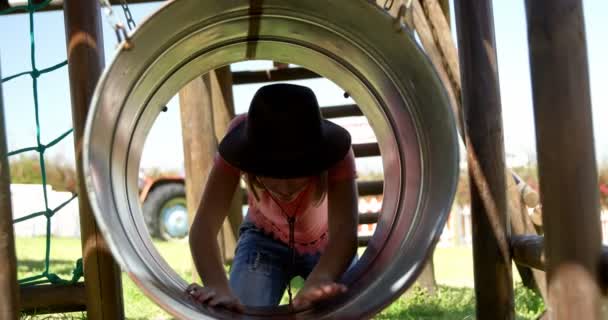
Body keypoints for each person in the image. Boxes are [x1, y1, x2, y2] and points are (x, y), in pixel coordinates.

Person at [186, 83, 359, 311]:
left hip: (328, 245)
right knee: (240, 313)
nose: (285, 188)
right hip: (264, 239)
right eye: (272, 173)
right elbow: (203, 228)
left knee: (345, 310)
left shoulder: (334, 151)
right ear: (251, 163)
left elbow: (345, 233)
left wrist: (321, 277)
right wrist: (217, 285)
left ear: (317, 161)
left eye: (297, 173)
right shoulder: (239, 143)